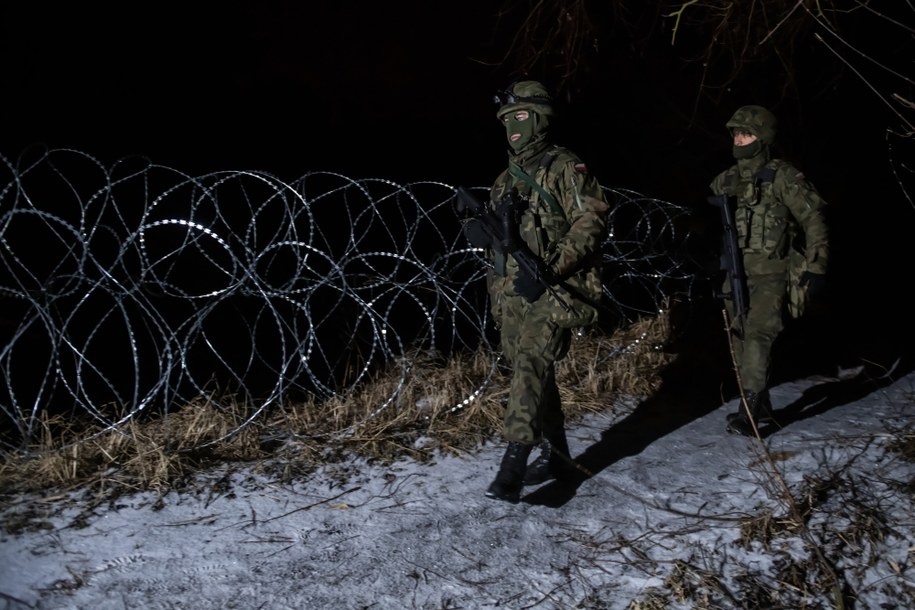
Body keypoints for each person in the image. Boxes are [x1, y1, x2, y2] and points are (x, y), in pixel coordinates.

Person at [462, 80, 609, 503]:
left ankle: (514, 462)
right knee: (532, 373)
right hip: (512, 294)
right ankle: (559, 454)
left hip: (552, 288)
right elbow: (498, 246)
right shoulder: (502, 181)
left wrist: (549, 267)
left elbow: (591, 222)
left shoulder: (564, 166)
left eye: (521, 117)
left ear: (540, 119)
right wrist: (478, 231)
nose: (513, 127)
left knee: (531, 363)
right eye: (507, 119)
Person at [708, 104, 829, 436]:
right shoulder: (725, 181)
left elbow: (813, 219)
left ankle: (748, 412)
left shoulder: (783, 177)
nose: (740, 139)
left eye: (746, 133)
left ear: (763, 137)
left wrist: (816, 264)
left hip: (772, 273)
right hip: (735, 272)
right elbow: (708, 227)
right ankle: (763, 404)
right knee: (740, 340)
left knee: (760, 336)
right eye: (736, 133)